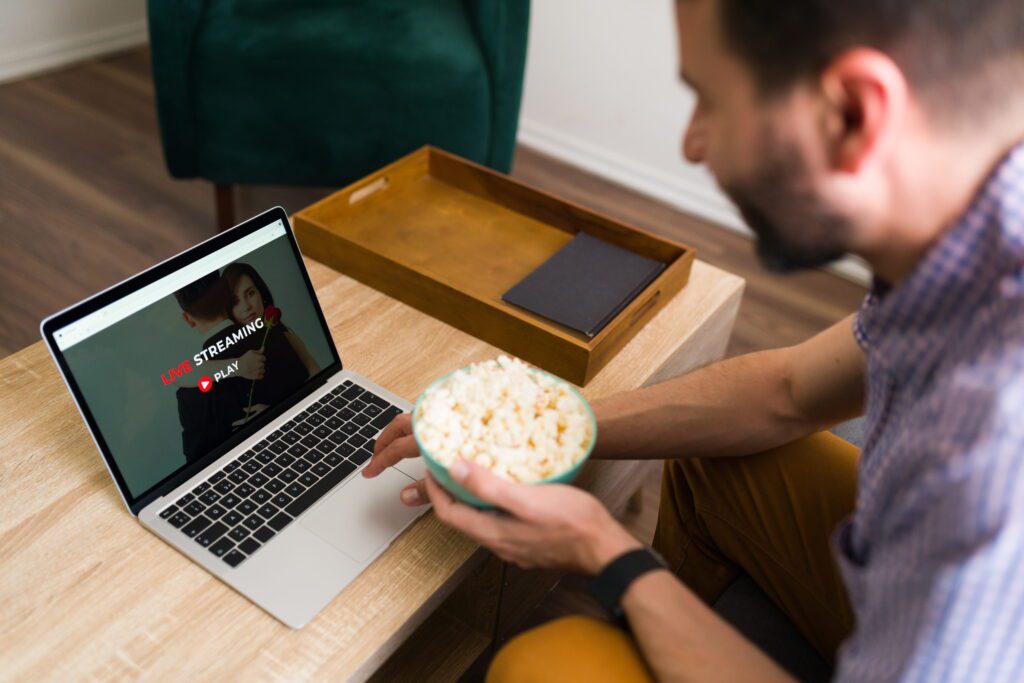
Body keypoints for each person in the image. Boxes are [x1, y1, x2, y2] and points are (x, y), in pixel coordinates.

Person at [363, 0, 1024, 680]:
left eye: (708, 98)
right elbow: (789, 391)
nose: (692, 143)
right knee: (716, 459)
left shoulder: (987, 453)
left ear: (854, 112)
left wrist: (607, 553)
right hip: (903, 571)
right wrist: (534, 424)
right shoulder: (971, 236)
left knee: (539, 665)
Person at [221, 262, 320, 408]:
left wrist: (275, 410)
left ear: (262, 294)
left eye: (250, 293)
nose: (246, 306)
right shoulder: (229, 349)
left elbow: (316, 372)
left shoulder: (284, 333)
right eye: (235, 302)